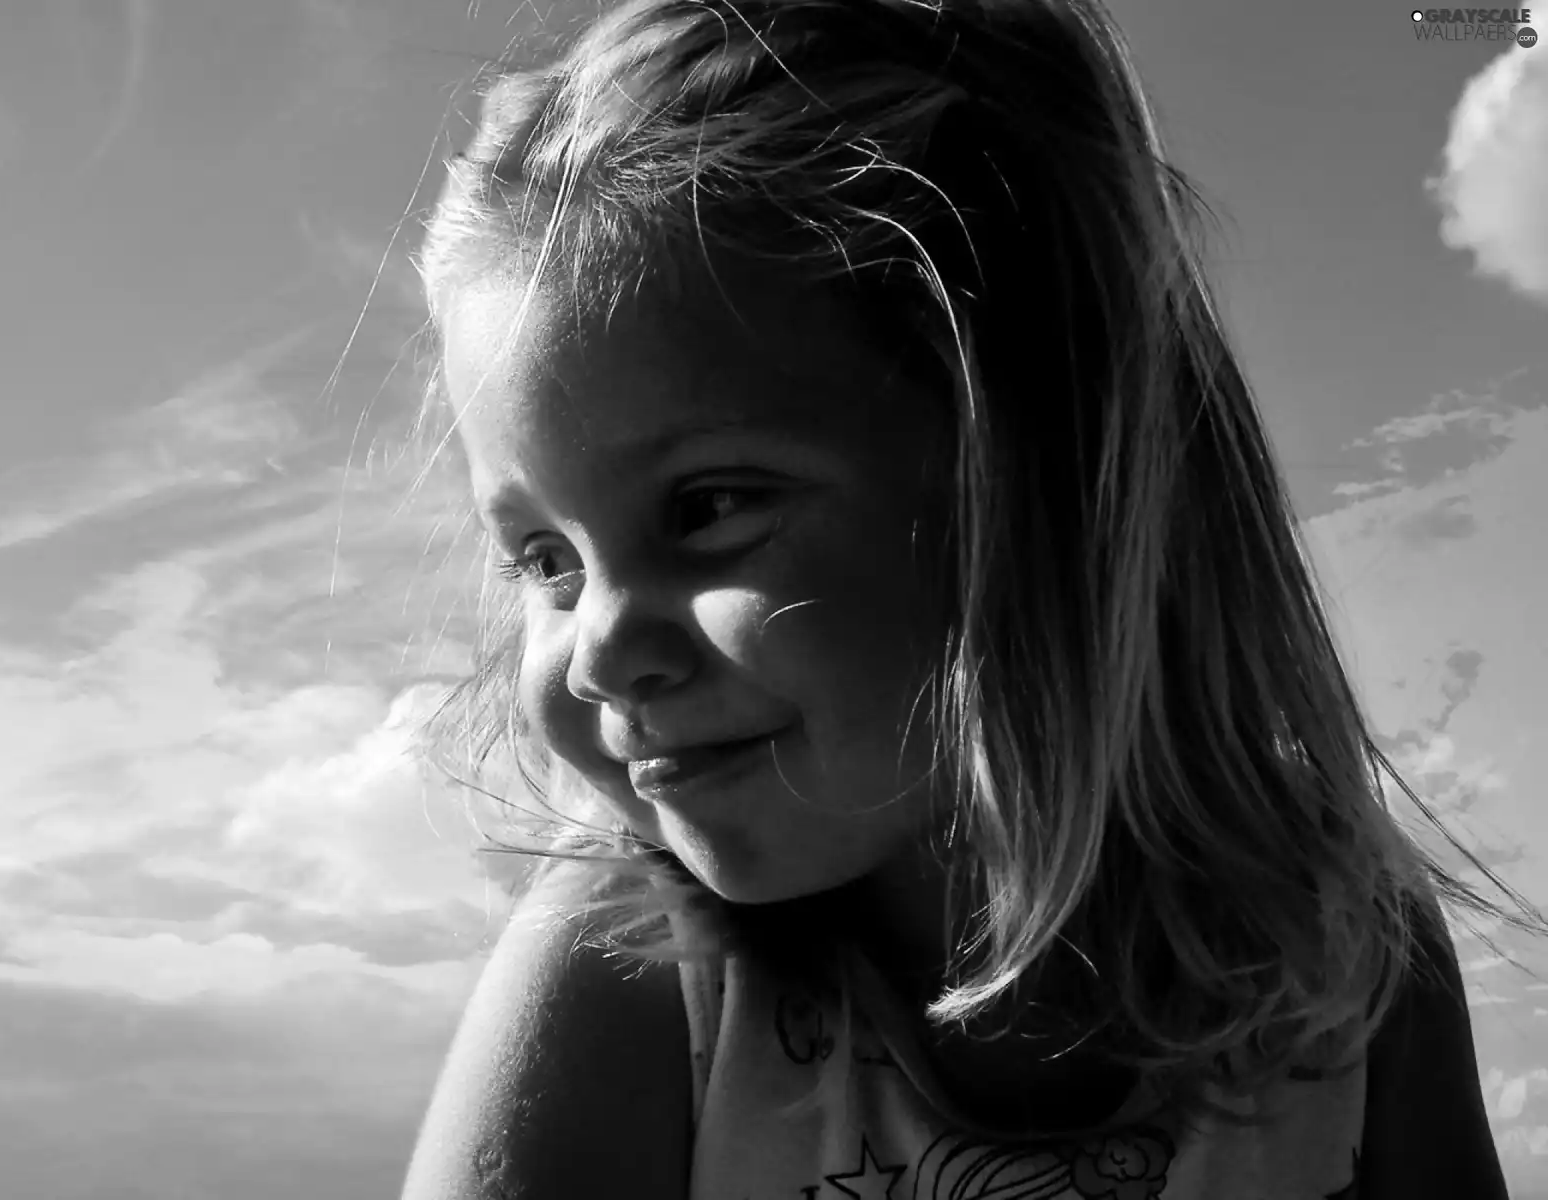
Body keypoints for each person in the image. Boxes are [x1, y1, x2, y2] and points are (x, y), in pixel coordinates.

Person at [397, 1, 1535, 1196]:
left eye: (708, 506)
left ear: (1043, 473)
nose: (601, 652)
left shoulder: (1342, 959)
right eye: (544, 561)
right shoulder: (632, 965)